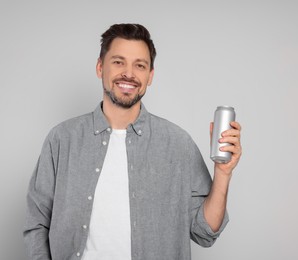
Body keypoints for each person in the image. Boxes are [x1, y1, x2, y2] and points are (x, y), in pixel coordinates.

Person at [23, 23, 242, 260]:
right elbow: (37, 223)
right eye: (118, 62)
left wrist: (223, 173)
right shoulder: (62, 139)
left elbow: (204, 232)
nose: (129, 73)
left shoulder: (178, 144)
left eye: (140, 65)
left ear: (150, 76)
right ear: (100, 67)